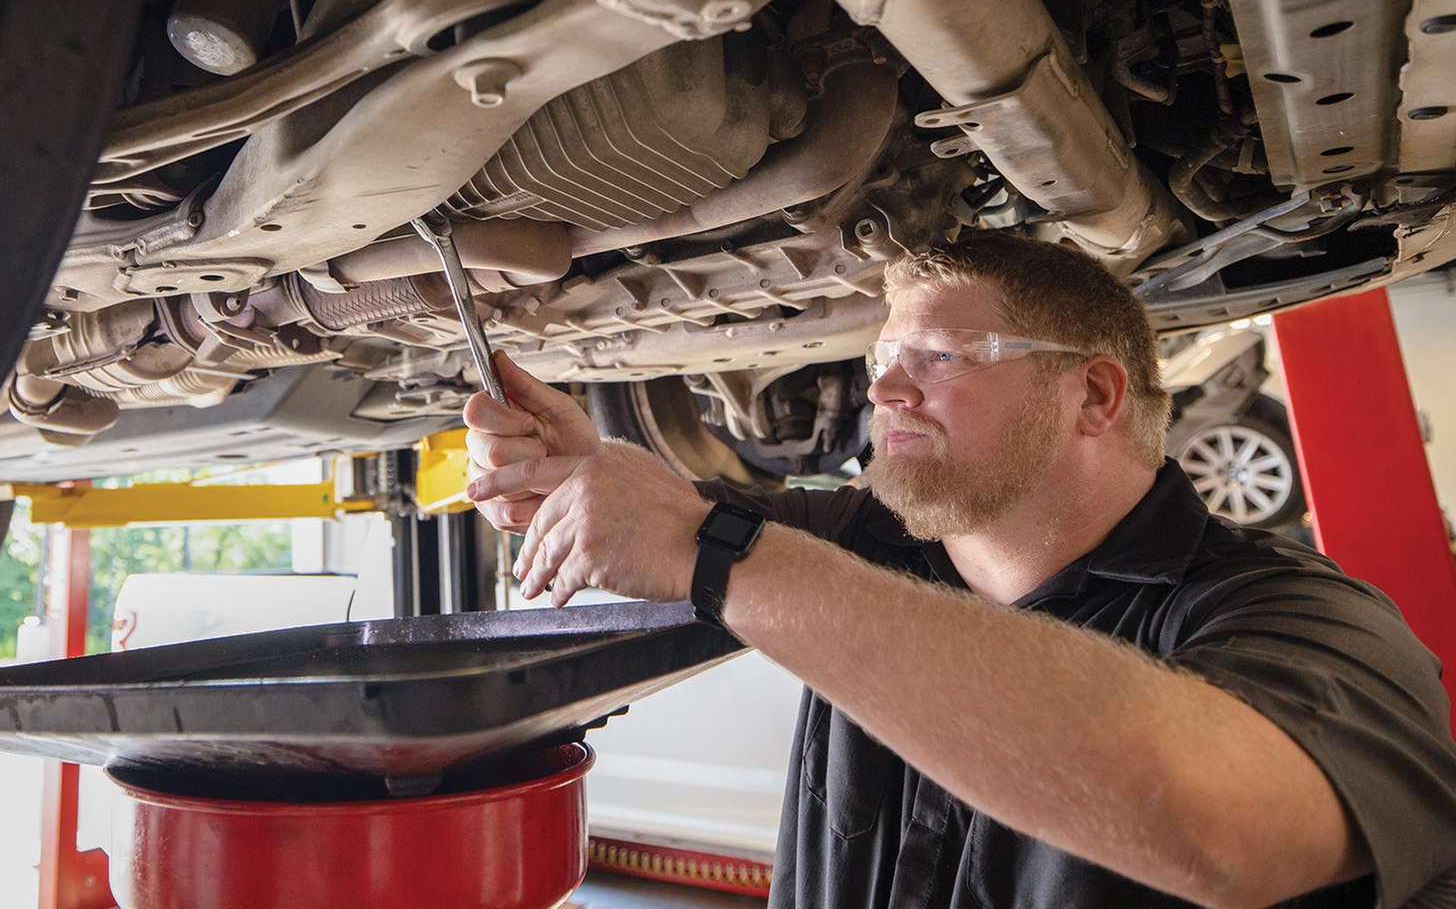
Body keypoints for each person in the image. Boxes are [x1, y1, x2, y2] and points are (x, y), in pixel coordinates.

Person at [463, 233, 1456, 909]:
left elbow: (1221, 821)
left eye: (938, 356)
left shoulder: (1308, 618)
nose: (881, 389)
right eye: (881, 357)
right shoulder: (867, 543)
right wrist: (571, 481)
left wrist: (717, 557)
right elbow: (648, 525)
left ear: (1092, 396)